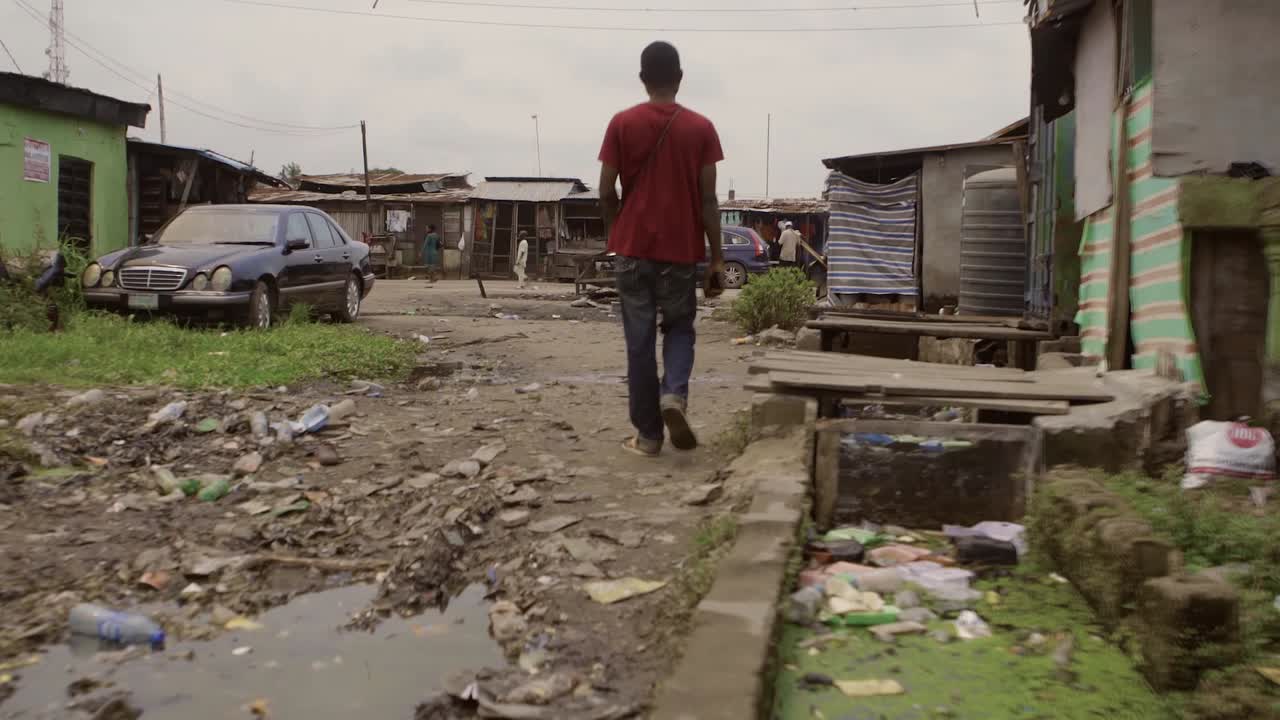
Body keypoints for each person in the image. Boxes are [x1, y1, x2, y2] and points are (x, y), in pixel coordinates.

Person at [599, 40, 724, 457]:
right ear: (680, 78)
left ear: (642, 79)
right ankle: (674, 394)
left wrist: (618, 232)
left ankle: (649, 436)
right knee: (680, 329)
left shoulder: (621, 123)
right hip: (681, 252)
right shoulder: (702, 128)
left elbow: (605, 191)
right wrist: (718, 258)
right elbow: (709, 200)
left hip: (633, 250)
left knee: (638, 343)